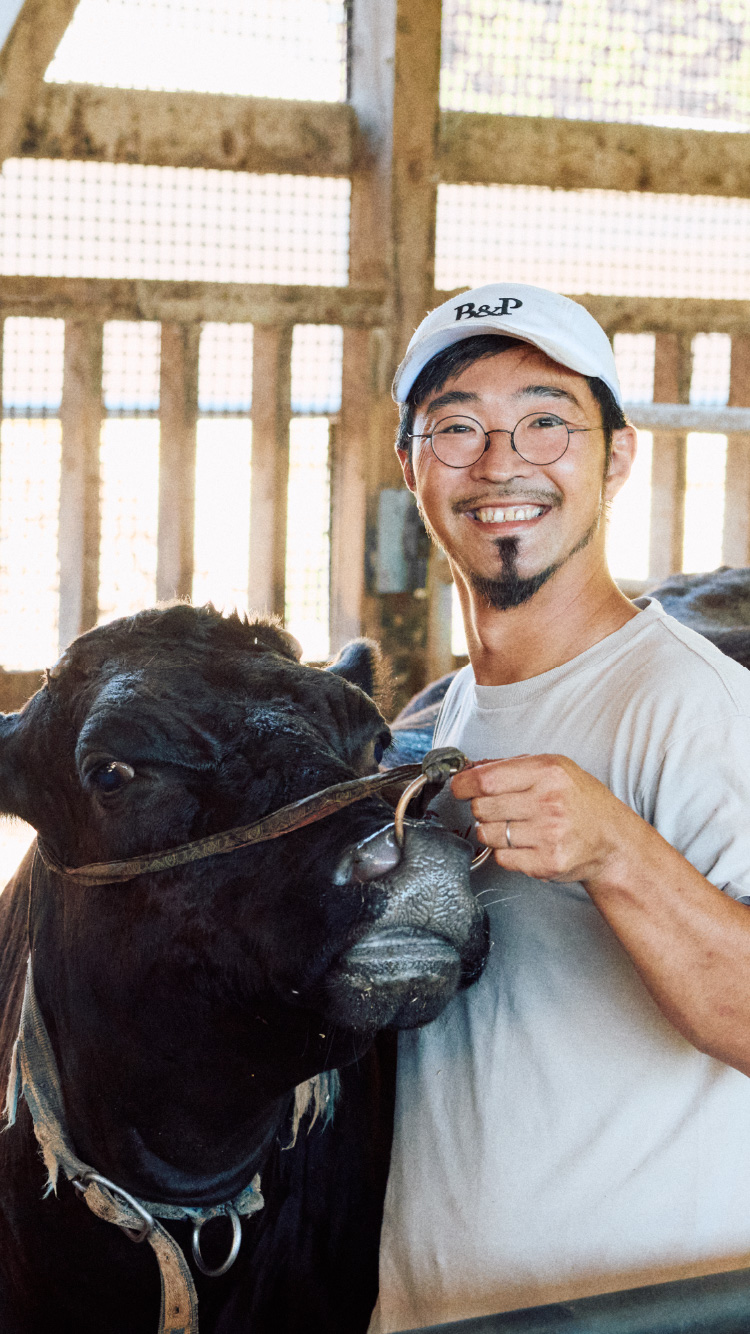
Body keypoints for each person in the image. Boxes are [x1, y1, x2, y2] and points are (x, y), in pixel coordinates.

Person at [370, 283, 750, 1332]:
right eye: (458, 427)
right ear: (412, 467)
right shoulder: (429, 729)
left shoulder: (693, 705)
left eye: (547, 420)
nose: (502, 462)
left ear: (615, 457)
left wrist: (620, 853)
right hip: (440, 1308)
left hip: (649, 1311)